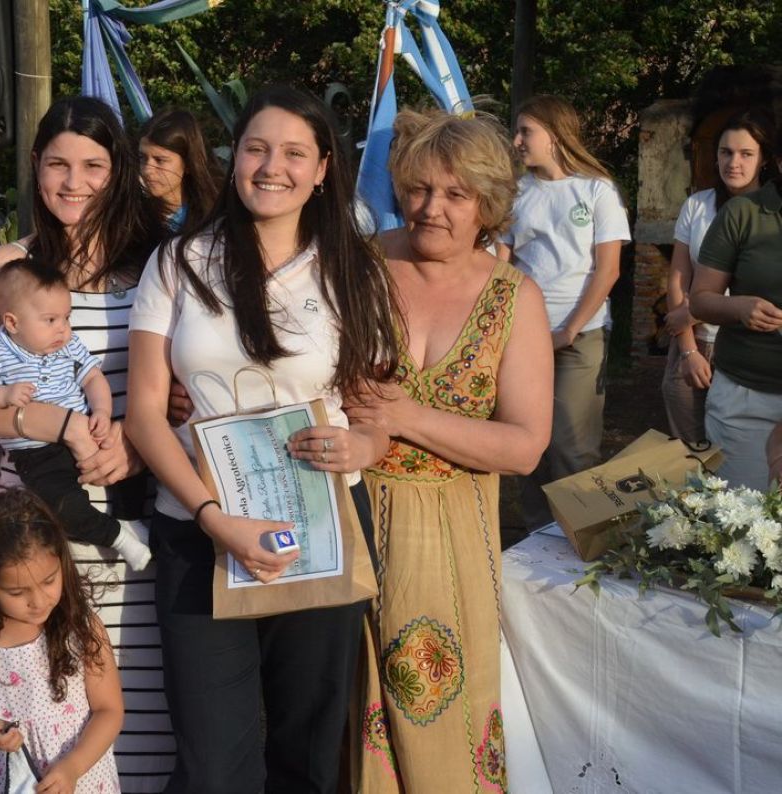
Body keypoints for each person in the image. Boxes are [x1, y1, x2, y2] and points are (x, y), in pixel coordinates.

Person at [125, 84, 401, 794]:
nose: (271, 166)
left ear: (322, 168)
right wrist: (214, 518)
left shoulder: (353, 268)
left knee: (308, 748)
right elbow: (146, 415)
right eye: (256, 148)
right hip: (198, 529)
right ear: (233, 157)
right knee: (214, 764)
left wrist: (365, 449)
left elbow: (374, 410)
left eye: (293, 153)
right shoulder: (180, 262)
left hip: (320, 526)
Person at [0, 95, 173, 791]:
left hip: (142, 507)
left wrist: (134, 438)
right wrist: (51, 424)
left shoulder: (158, 264)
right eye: (57, 163)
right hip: (41, 526)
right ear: (34, 166)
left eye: (94, 165)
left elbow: (183, 387)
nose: (74, 182)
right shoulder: (4, 267)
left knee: (144, 716)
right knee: (54, 721)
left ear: (120, 170)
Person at [346, 108, 552, 792]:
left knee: (441, 727)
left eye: (456, 195)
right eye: (419, 189)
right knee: (344, 719)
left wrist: (406, 415)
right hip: (345, 518)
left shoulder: (514, 298)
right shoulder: (357, 269)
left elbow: (524, 446)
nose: (432, 208)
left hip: (453, 537)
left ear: (488, 205)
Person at [0, 258, 152, 569]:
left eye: (66, 317)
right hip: (37, 451)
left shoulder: (67, 345)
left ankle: (130, 518)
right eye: (50, 320)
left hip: (87, 429)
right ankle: (117, 536)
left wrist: (103, 411)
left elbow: (92, 377)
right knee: (62, 506)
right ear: (12, 323)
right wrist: (3, 394)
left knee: (128, 468)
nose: (62, 328)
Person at [497, 94, 630, 528]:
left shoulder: (597, 189)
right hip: (524, 337)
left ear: (554, 136)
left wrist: (569, 330)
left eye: (526, 131)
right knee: (529, 444)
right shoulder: (516, 193)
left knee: (573, 447)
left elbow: (607, 271)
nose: (517, 141)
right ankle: (539, 538)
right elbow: (501, 262)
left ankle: (585, 540)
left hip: (580, 335)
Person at [0, 488, 123, 793]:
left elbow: (110, 710)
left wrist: (73, 767)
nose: (38, 601)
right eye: (17, 593)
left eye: (49, 581)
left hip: (80, 780)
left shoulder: (81, 629)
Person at [661, 112, 774, 443]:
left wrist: (693, 309)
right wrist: (687, 350)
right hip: (691, 342)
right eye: (726, 152)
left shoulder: (771, 214)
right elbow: (678, 278)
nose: (733, 162)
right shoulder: (698, 205)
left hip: (744, 350)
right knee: (687, 453)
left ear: (764, 158)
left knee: (736, 455)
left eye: (746, 154)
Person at [690, 118, 782, 491]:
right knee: (744, 530)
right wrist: (739, 307)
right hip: (748, 399)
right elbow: (700, 300)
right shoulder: (742, 213)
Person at [139, 108, 221, 235]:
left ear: (188, 163)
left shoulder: (216, 218)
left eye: (160, 160)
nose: (147, 170)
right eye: (143, 158)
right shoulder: (134, 218)